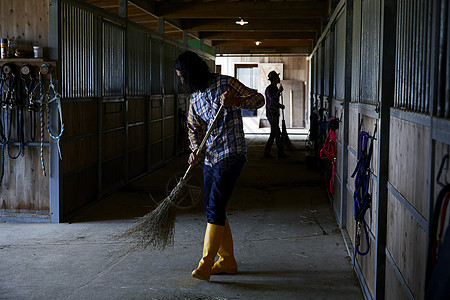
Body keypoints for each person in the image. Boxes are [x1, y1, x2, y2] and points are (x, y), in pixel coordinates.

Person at [174, 50, 265, 281]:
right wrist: (195, 149)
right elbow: (193, 127)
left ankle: (205, 264)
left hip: (232, 153)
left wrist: (237, 101)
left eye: (181, 76)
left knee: (215, 205)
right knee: (212, 208)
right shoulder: (195, 97)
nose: (181, 81)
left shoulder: (226, 83)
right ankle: (227, 261)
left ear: (190, 73)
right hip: (211, 157)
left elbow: (259, 99)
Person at [264, 70, 288, 159]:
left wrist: (280, 106)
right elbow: (272, 100)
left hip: (275, 113)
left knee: (273, 133)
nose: (279, 78)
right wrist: (279, 92)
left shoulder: (274, 88)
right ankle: (280, 154)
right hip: (271, 113)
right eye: (277, 77)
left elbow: (275, 101)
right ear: (273, 79)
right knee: (277, 133)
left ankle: (266, 153)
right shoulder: (269, 89)